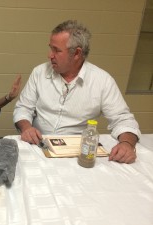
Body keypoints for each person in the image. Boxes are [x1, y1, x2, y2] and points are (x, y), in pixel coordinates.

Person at [13, 20, 140, 164]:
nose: (50, 55)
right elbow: (23, 107)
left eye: (57, 50)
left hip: (76, 155)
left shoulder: (102, 80)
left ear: (77, 53)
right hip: (38, 146)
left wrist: (127, 144)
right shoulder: (39, 72)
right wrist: (27, 128)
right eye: (50, 48)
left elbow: (123, 119)